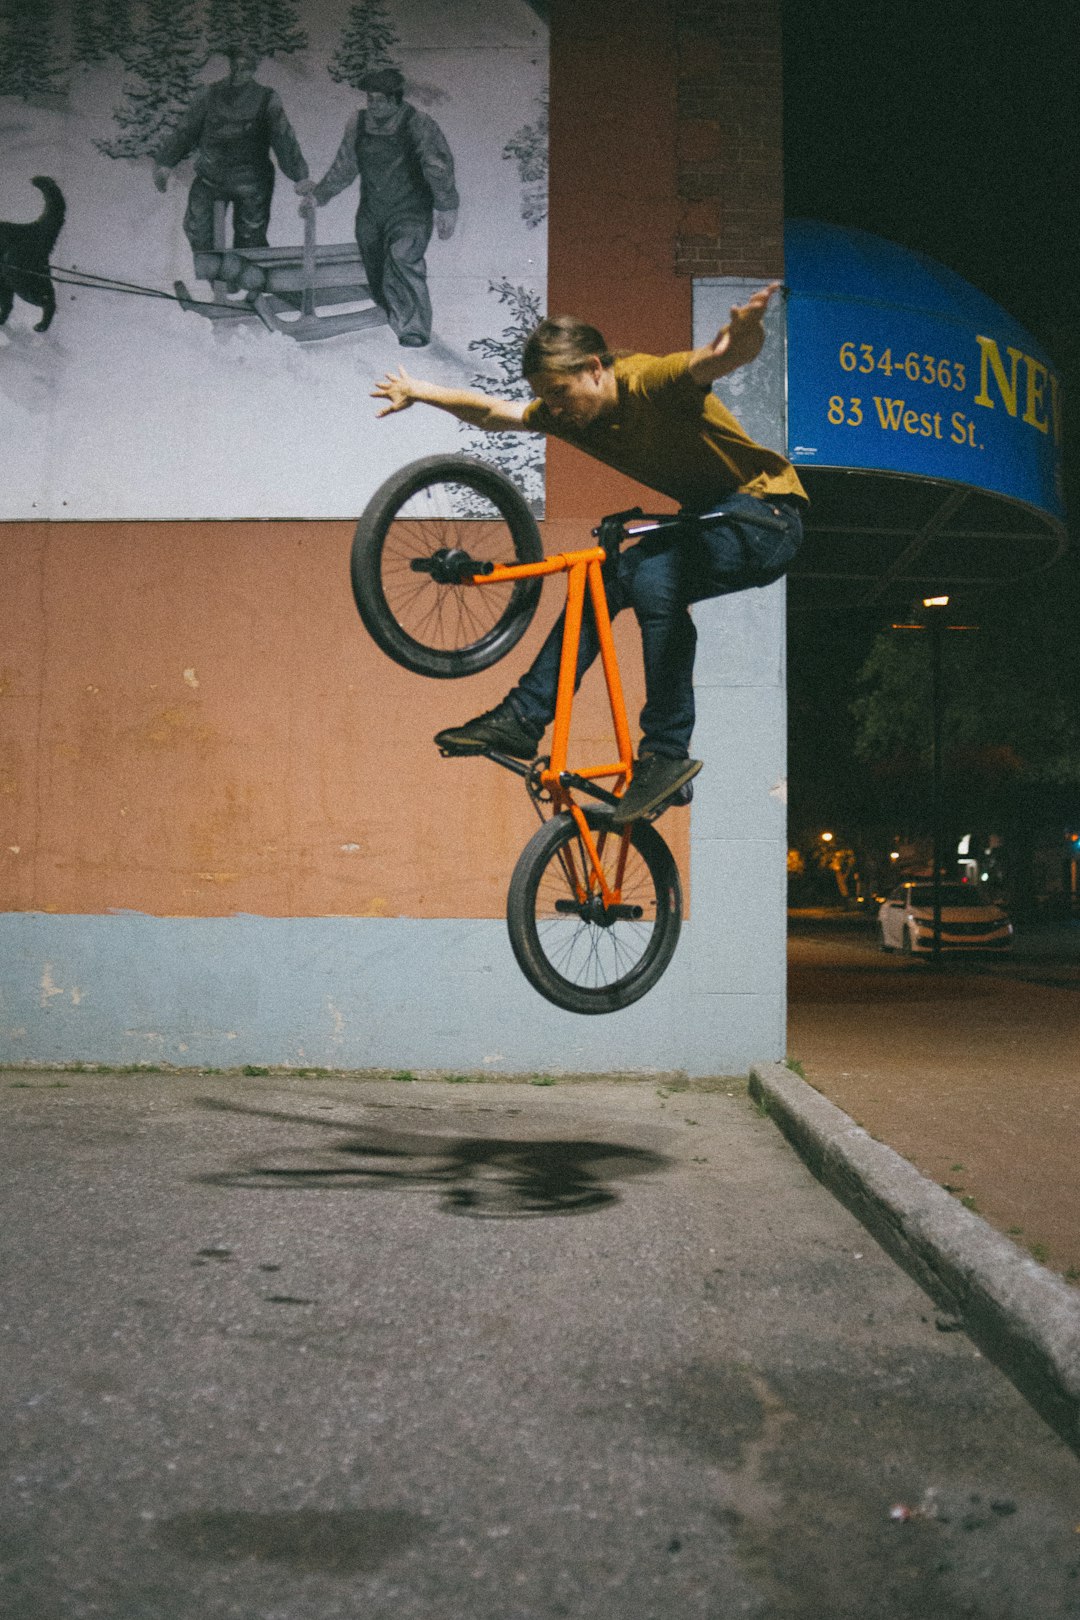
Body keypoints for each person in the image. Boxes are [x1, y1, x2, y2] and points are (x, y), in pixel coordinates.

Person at [371, 283, 808, 823]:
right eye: (547, 398)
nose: (556, 410)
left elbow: (718, 358)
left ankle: (666, 753)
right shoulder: (568, 412)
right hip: (709, 522)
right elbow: (491, 412)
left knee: (652, 572)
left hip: (764, 518)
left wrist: (745, 333)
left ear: (596, 369)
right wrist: (419, 389)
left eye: (561, 393)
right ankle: (523, 719)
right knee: (601, 579)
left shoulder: (648, 382)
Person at [299, 67, 458, 348]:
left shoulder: (418, 124)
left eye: (381, 100)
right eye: (370, 100)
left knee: (402, 258)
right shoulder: (357, 123)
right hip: (372, 212)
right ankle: (389, 314)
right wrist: (319, 196)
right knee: (376, 268)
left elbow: (438, 168)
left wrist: (446, 207)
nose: (374, 106)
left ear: (396, 100)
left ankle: (414, 329)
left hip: (410, 211)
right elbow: (344, 166)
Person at [153, 48, 310, 280]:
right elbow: (186, 131)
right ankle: (214, 281)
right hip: (210, 177)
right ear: (231, 65)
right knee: (197, 228)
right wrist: (166, 163)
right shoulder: (209, 94)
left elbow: (283, 138)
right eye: (237, 65)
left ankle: (249, 283)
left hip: (252, 181)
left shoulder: (266, 98)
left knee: (250, 237)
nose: (240, 71)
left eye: (246, 66)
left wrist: (300, 176)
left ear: (254, 68)